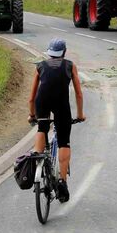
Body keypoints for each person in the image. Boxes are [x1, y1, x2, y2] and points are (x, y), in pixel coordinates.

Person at [28, 38, 86, 203]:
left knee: (41, 128)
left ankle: (38, 162)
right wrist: (80, 114)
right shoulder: (70, 65)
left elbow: (31, 97)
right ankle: (62, 181)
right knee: (63, 142)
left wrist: (32, 115)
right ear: (64, 52)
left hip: (42, 103)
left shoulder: (40, 66)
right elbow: (79, 93)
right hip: (61, 105)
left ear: (48, 52)